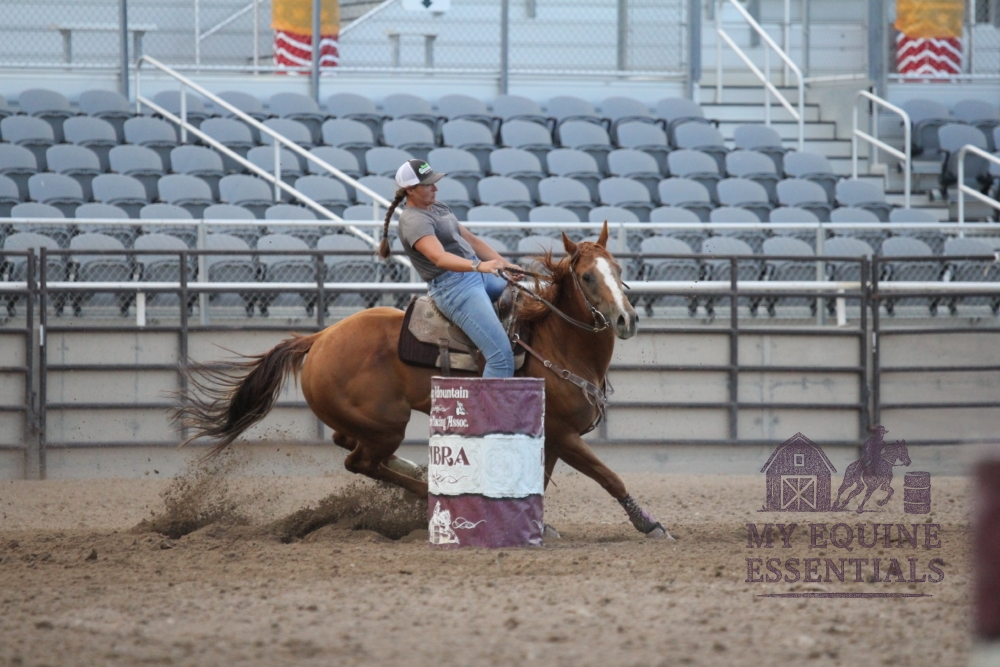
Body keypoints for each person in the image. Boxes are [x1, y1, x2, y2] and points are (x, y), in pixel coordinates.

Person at [377, 159, 523, 378]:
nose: (435, 188)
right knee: (500, 358)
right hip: (454, 288)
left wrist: (506, 265)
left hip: (476, 275)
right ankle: (490, 401)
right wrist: (481, 266)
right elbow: (439, 258)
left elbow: (471, 240)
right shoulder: (414, 221)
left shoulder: (437, 206)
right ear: (410, 189)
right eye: (428, 184)